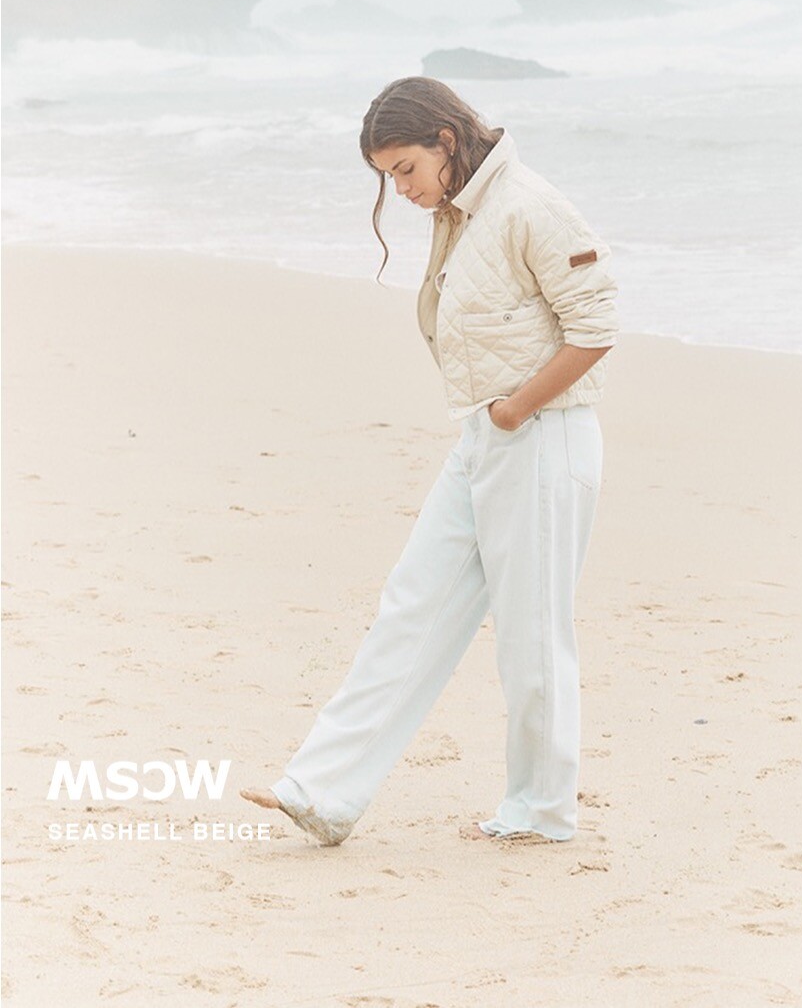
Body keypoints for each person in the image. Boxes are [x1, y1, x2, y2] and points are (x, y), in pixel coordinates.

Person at [242, 76, 618, 844]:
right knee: (411, 607)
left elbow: (598, 323)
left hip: (543, 436)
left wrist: (516, 408)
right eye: (389, 176)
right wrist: (494, 420)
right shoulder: (465, 211)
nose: (402, 189)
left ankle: (542, 810)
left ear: (446, 139)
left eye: (405, 168)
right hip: (484, 438)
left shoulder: (529, 205)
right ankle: (323, 792)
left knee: (531, 635)